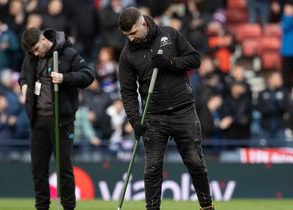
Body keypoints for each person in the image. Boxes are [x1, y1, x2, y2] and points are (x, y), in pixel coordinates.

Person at [118, 7, 214, 210]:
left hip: (183, 110)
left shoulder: (169, 34)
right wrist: (135, 119)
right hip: (153, 116)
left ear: (143, 23)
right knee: (152, 168)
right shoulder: (127, 55)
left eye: (133, 33)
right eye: (126, 35)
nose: (131, 39)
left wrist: (169, 62)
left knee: (195, 162)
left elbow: (195, 60)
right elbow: (127, 92)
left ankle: (206, 206)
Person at [19, 27, 95, 210]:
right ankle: (42, 206)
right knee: (38, 169)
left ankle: (68, 207)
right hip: (37, 120)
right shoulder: (31, 57)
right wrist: (23, 87)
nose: (36, 53)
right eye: (32, 52)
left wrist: (65, 78)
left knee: (64, 169)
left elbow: (88, 75)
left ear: (43, 39)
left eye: (37, 48)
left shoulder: (67, 53)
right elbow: (23, 76)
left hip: (61, 120)